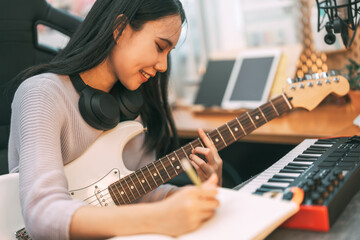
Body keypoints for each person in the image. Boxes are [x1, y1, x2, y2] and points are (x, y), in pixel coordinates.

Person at [7, 0, 224, 239]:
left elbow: (135, 192)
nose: (163, 65)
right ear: (120, 29)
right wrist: (160, 217)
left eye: (169, 53)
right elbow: (42, 213)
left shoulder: (132, 106)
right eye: (160, 47)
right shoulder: (42, 94)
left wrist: (197, 195)